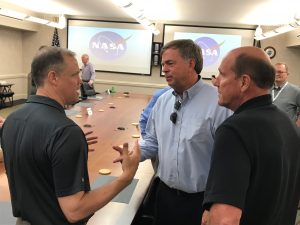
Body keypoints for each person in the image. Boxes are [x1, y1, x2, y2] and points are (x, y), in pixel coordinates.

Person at [1, 47, 140, 225]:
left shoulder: (12, 120)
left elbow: (33, 164)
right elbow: (75, 211)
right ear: (53, 78)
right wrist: (126, 177)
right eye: (74, 74)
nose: (79, 81)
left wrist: (61, 151)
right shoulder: (66, 132)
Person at [202, 46, 300, 225]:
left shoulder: (234, 130)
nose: (216, 82)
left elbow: (225, 220)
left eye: (222, 75)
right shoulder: (288, 125)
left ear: (244, 82)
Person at [138, 39, 232, 225]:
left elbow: (228, 161)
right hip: (164, 196)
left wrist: (218, 204)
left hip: (201, 201)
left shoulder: (219, 104)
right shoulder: (162, 101)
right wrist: (135, 154)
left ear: (191, 63)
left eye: (170, 63)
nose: (164, 69)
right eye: (163, 64)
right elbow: (152, 142)